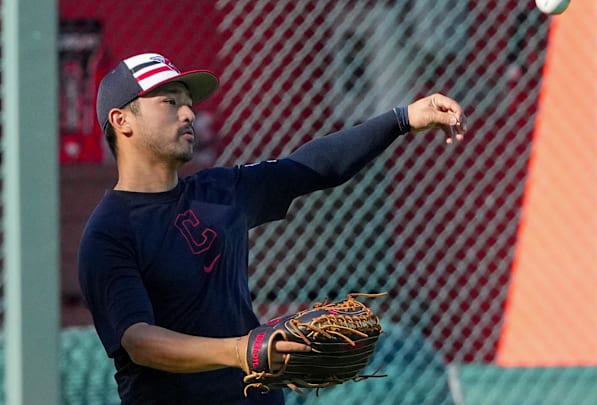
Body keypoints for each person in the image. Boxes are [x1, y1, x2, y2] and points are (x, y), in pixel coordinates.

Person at [78, 52, 466, 404]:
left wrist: (402, 119)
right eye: (170, 102)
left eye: (189, 103)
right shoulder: (110, 232)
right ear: (121, 120)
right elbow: (139, 341)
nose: (188, 113)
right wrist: (239, 351)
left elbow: (309, 167)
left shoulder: (220, 192)